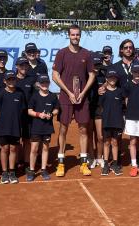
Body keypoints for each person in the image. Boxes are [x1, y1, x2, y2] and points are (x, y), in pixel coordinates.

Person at [52, 24, 95, 177]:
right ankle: (61, 163)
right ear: (68, 36)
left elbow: (92, 75)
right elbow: (55, 75)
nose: (75, 37)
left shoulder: (87, 54)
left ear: (80, 36)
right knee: (63, 129)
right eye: (73, 35)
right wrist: (69, 92)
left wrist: (83, 93)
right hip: (66, 97)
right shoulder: (62, 53)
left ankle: (84, 163)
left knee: (83, 130)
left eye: (77, 35)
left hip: (82, 98)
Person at [0, 70, 26, 184]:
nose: (11, 81)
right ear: (4, 81)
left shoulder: (20, 94)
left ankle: (12, 172)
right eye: (9, 79)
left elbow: (22, 111)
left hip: (16, 127)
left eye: (13, 79)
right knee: (5, 148)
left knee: (13, 149)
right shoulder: (0, 95)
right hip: (3, 127)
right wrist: (3, 122)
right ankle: (4, 172)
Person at [26, 74, 59, 181]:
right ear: (39, 84)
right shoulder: (34, 96)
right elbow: (29, 111)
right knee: (34, 149)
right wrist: (39, 114)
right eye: (42, 83)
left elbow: (56, 110)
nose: (45, 84)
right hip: (36, 126)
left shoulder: (53, 96)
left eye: (46, 82)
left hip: (47, 127)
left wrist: (51, 114)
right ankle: (31, 170)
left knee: (45, 148)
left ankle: (44, 169)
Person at [98, 69, 124, 176]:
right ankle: (105, 165)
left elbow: (123, 106)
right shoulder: (103, 92)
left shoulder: (120, 92)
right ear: (106, 79)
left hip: (117, 122)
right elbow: (101, 106)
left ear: (116, 79)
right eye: (110, 77)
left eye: (114, 78)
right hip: (107, 122)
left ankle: (115, 164)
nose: (112, 79)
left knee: (115, 143)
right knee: (106, 143)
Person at [14, 57, 36, 169]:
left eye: (25, 65)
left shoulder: (32, 80)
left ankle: (27, 162)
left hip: (28, 115)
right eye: (21, 65)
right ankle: (17, 161)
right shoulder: (12, 80)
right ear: (17, 66)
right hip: (15, 115)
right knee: (16, 140)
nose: (24, 67)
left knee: (27, 140)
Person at [88, 52, 106, 169]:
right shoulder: (86, 76)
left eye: (98, 64)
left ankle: (99, 157)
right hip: (88, 109)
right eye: (94, 64)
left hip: (100, 109)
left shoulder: (104, 76)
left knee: (100, 136)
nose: (96, 67)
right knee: (89, 135)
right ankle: (91, 157)